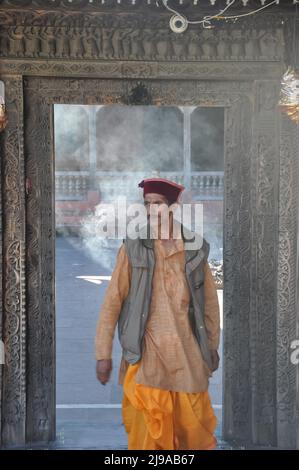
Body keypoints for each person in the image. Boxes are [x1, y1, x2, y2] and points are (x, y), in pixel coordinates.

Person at [95, 177, 220, 450]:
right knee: (147, 435)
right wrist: (103, 354)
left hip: (187, 354)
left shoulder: (194, 248)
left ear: (174, 207)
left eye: (159, 204)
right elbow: (113, 301)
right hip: (146, 354)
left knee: (191, 434)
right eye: (147, 204)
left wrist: (212, 345)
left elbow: (209, 302)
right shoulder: (134, 247)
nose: (152, 210)